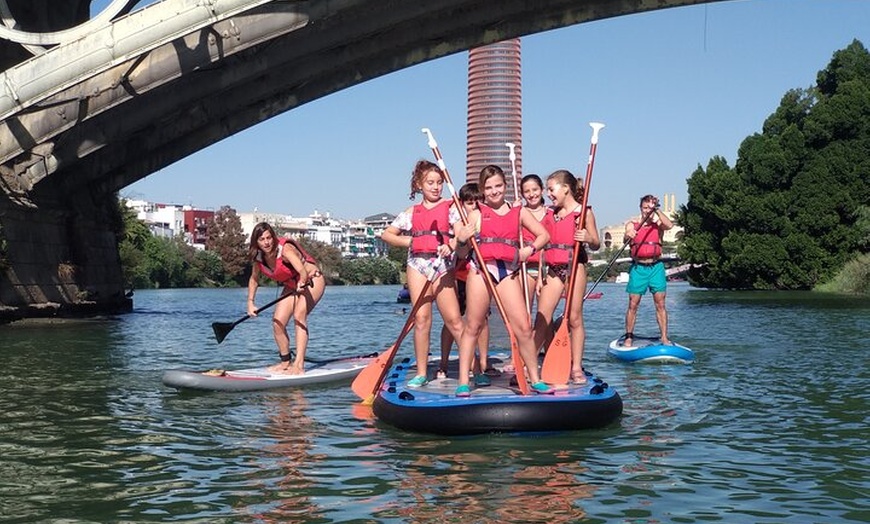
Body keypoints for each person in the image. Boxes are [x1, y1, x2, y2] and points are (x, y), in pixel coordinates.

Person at [453, 165, 551, 397]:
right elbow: (460, 253)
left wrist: (529, 250)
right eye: (489, 188)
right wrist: (461, 240)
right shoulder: (476, 214)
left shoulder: (519, 212)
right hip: (481, 271)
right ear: (482, 190)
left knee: (524, 327)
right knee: (473, 327)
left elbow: (544, 235)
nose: (494, 191)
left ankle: (534, 378)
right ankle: (463, 380)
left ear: (505, 186)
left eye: (498, 186)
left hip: (507, 272)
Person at [380, 160, 466, 388]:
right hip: (417, 264)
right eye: (430, 183)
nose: (436, 187)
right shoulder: (411, 212)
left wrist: (453, 243)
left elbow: (459, 234)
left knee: (454, 321)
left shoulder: (452, 208)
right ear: (419, 185)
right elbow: (387, 234)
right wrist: (410, 240)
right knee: (421, 319)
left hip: (443, 265)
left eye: (439, 183)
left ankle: (473, 368)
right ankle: (420, 372)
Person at [532, 170, 600, 384]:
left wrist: (587, 237)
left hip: (574, 267)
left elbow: (596, 243)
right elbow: (543, 246)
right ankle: (530, 363)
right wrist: (541, 276)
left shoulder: (584, 213)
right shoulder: (550, 214)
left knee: (574, 318)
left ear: (566, 189)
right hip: (553, 270)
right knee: (542, 318)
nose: (549, 194)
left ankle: (576, 366)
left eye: (551, 189)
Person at [247, 222, 326, 375]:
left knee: (299, 316)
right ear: (256, 242)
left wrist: (302, 283)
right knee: (278, 322)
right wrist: (250, 303)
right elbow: (254, 279)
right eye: (262, 239)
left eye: (269, 238)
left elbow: (303, 272)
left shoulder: (285, 250)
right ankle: (285, 363)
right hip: (292, 285)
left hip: (312, 279)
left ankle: (299, 364)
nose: (266, 242)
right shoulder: (258, 257)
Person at [437, 183, 491, 385]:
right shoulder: (456, 219)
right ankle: (443, 363)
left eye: (478, 202)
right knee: (453, 321)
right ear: (462, 203)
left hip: (480, 276)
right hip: (458, 275)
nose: (474, 206)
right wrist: (459, 240)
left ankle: (483, 364)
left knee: (481, 320)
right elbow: (457, 247)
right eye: (469, 203)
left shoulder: (484, 217)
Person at [622, 194, 674, 347]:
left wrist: (656, 210)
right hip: (639, 268)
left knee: (660, 304)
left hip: (656, 267)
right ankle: (629, 336)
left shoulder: (658, 224)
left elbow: (669, 225)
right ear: (640, 208)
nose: (647, 211)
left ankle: (664, 337)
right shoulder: (633, 224)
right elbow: (627, 235)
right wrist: (628, 235)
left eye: (649, 208)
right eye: (645, 208)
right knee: (633, 304)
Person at [519, 174, 555, 337]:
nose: (531, 194)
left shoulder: (552, 212)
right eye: (527, 191)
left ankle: (548, 355)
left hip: (547, 268)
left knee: (545, 315)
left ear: (542, 190)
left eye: (535, 189)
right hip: (525, 268)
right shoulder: (519, 213)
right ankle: (518, 357)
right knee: (523, 313)